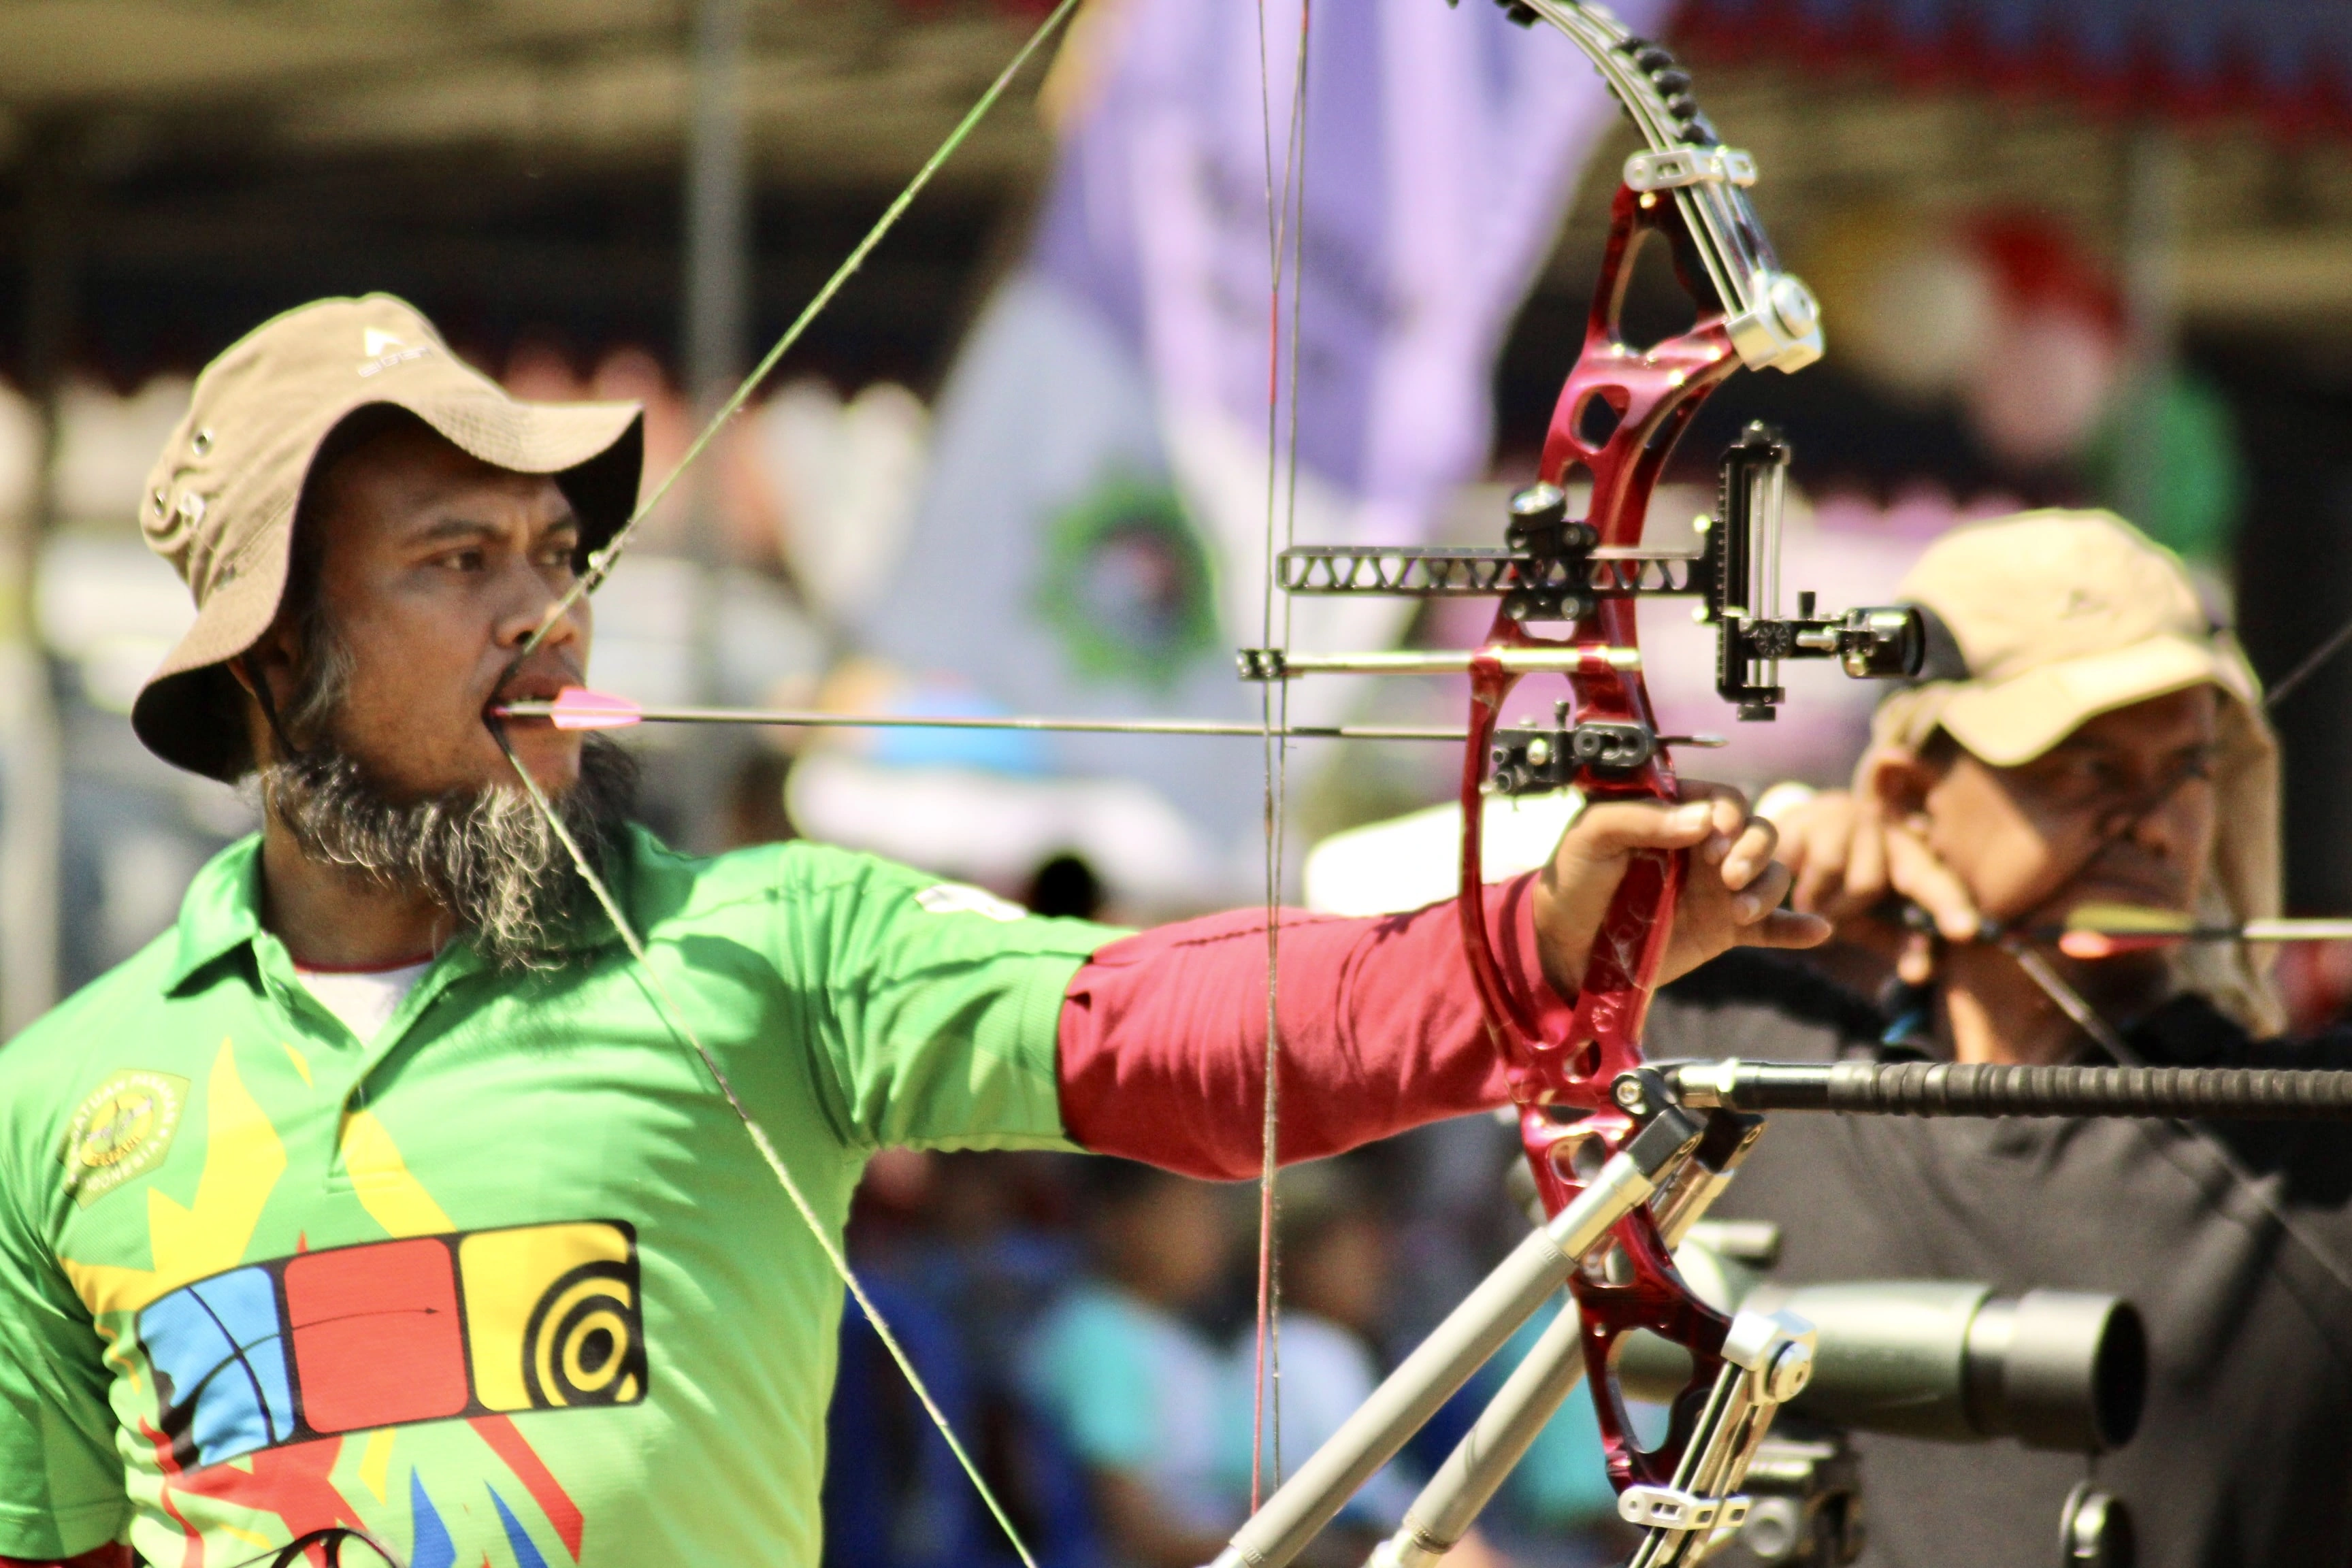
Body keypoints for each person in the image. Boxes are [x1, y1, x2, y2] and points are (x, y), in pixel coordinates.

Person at [0, 295, 1816, 1568]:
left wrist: (1535, 946)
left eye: (561, 557)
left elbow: (1153, 1033)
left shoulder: (765, 944)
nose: (548, 617)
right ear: (266, 668)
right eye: (458, 562)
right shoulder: (63, 1103)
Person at [1644, 511, 2352, 1567]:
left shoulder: (2303, 1137)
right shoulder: (1748, 1047)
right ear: (1907, 796)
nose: (2155, 826)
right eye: (2083, 769)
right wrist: (1726, 884)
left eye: (2189, 771)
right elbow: (1424, 959)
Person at [1022, 1162, 1237, 1568]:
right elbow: (1138, 1534)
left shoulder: (1184, 1341)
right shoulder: (1096, 1335)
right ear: (1118, 1222)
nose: (1210, 1231)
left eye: (1211, 1209)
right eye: (1186, 1212)